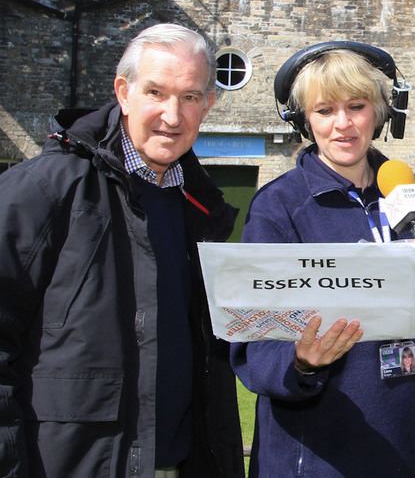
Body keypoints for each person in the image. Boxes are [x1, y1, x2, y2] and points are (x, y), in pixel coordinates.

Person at [230, 41, 415, 478]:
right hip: (320, 454)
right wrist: (300, 361)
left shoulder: (408, 195)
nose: (343, 125)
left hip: (411, 445)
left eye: (356, 106)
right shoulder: (278, 208)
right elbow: (254, 347)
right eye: (325, 110)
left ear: (381, 112)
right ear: (304, 121)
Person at [0, 24, 244, 477]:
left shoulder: (200, 207)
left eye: (190, 97)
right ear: (123, 92)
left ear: (208, 104)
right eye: (156, 92)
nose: (172, 115)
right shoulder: (43, 189)